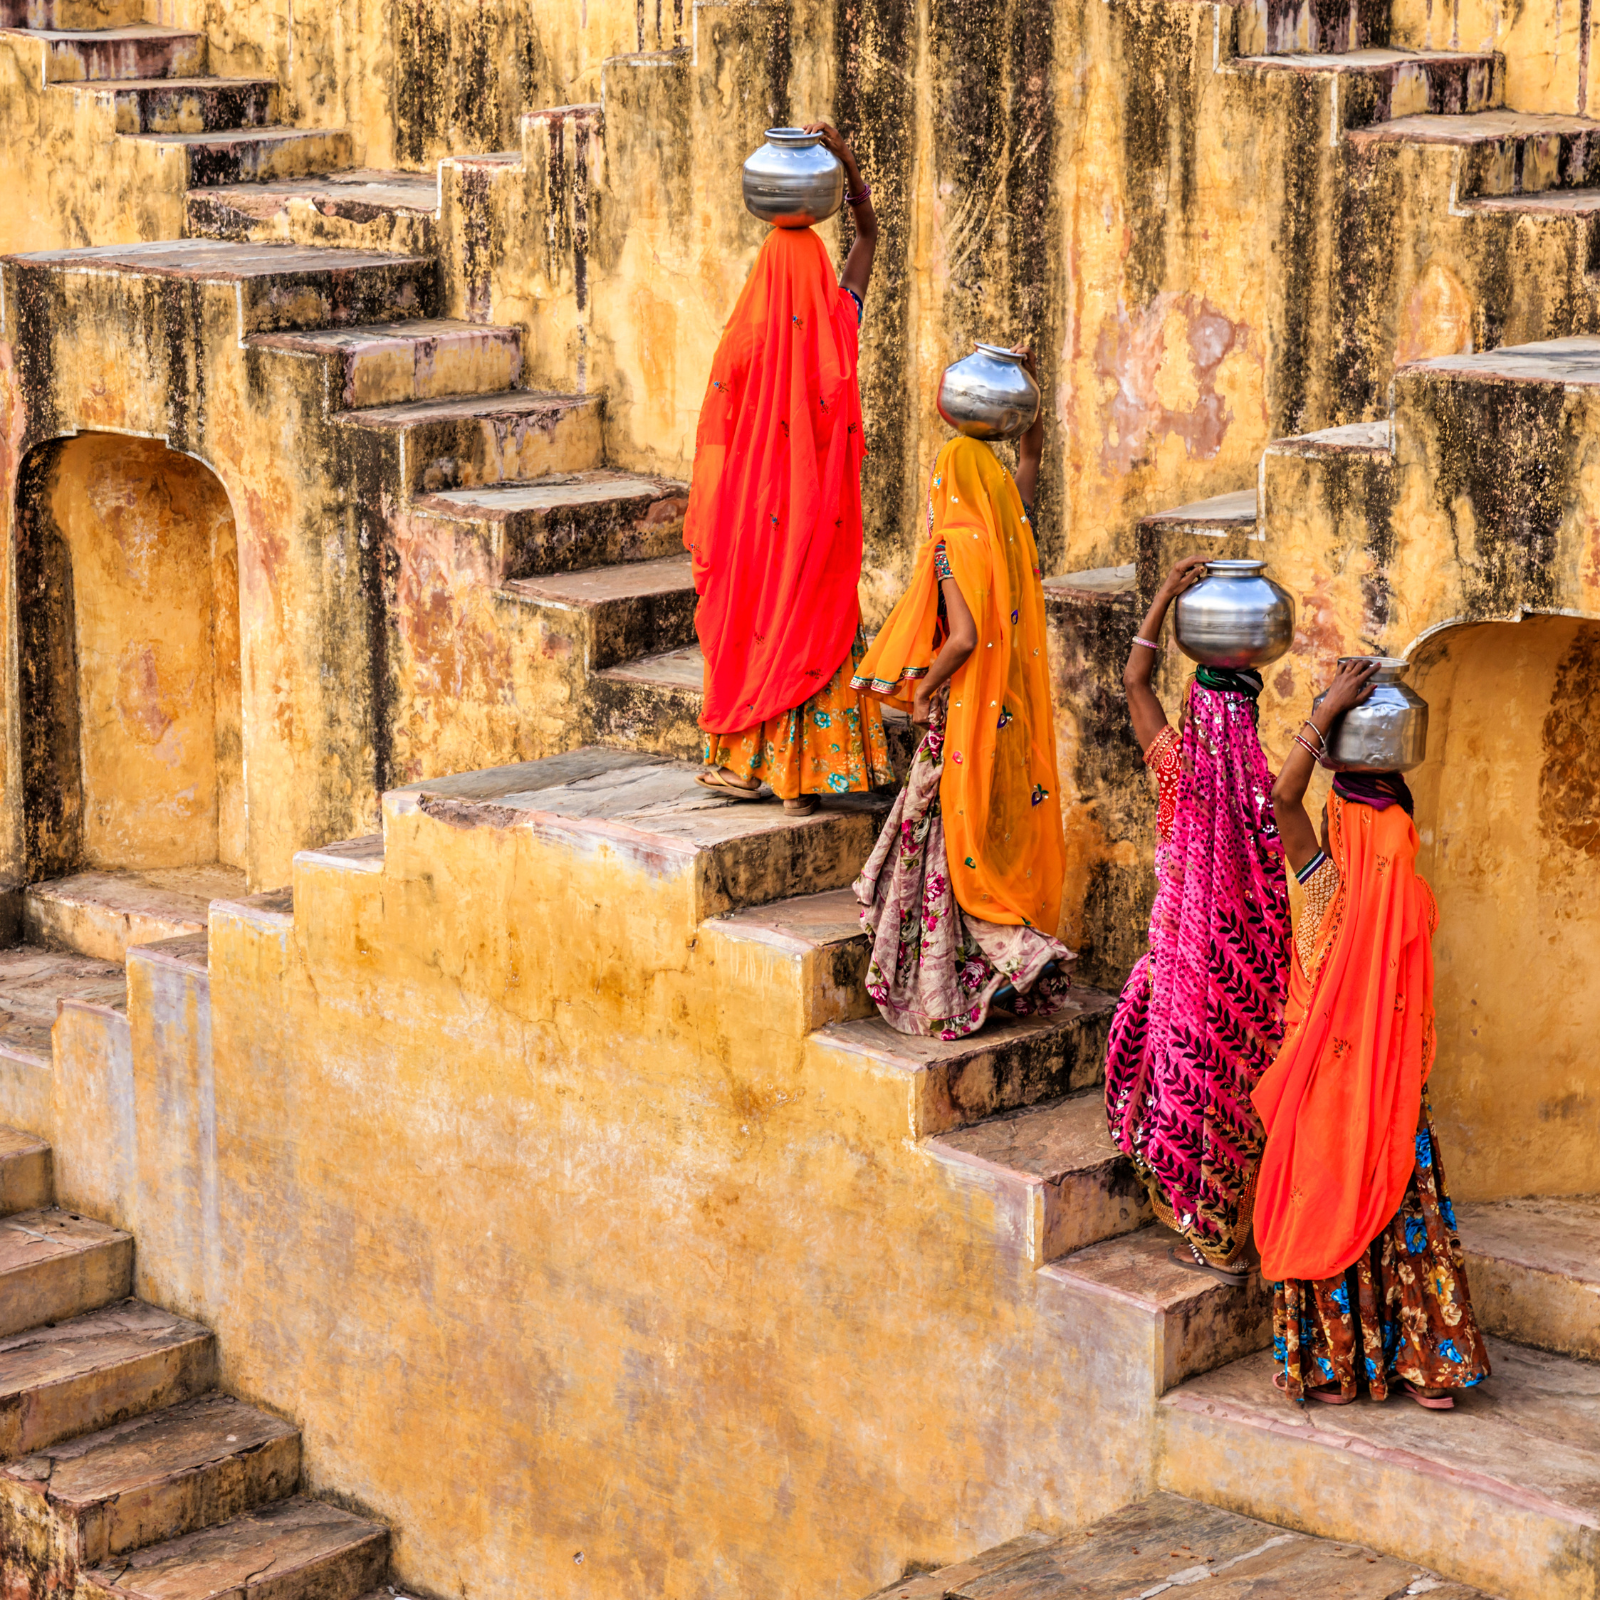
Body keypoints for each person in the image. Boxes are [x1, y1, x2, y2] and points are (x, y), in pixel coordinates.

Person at [1252, 659, 1491, 1407]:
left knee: (1399, 1209)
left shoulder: (1396, 892)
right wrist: (1324, 713)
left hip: (1384, 1082)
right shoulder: (1325, 884)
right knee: (1351, 1204)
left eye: (1393, 844)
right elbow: (1282, 794)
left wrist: (1331, 721)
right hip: (1338, 1079)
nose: (1387, 855)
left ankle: (1415, 1363)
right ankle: (1347, 1364)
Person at [849, 352, 1073, 1038]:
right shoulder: (1004, 527)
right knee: (967, 839)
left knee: (948, 842)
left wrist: (922, 691)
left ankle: (1002, 963)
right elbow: (1025, 479)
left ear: (946, 484)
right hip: (1006, 710)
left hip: (963, 709)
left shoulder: (952, 543)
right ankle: (994, 963)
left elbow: (964, 635)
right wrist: (1031, 418)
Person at [684, 122, 891, 817]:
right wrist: (851, 169)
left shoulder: (742, 343)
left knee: (757, 616)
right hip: (820, 518)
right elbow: (866, 241)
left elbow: (717, 440)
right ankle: (807, 776)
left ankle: (749, 766)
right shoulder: (838, 319)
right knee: (814, 620)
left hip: (756, 516)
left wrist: (724, 514)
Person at [1103, 556, 1293, 1287]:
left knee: (1188, 1080)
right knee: (1239, 1081)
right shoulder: (1270, 787)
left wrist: (1161, 601)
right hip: (1252, 964)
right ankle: (1237, 1228)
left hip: (1186, 959)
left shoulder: (1176, 765)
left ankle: (1207, 1232)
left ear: (1198, 709)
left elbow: (1133, 681)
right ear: (1248, 712)